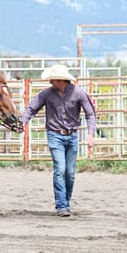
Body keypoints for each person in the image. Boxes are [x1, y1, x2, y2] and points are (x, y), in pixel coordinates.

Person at [18, 65, 96, 217]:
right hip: (55, 135)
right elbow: (31, 109)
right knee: (60, 169)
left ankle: (65, 201)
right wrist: (22, 122)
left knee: (70, 173)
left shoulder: (78, 93)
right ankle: (62, 206)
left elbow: (90, 114)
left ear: (61, 80)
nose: (50, 81)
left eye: (52, 79)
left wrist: (91, 133)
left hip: (72, 135)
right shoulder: (46, 94)